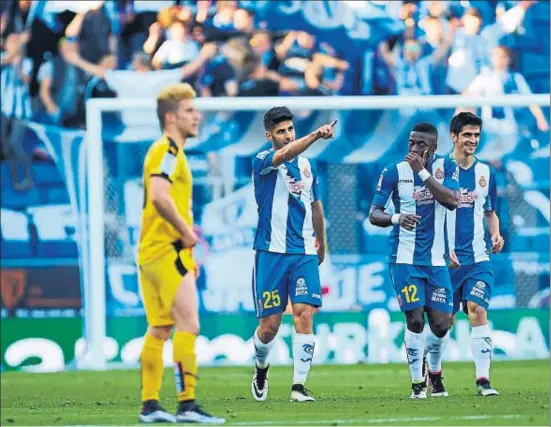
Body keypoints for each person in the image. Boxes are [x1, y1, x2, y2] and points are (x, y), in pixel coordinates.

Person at [136, 83, 224, 424]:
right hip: (168, 250)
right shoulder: (168, 150)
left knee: (159, 328)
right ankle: (187, 405)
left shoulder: (167, 151)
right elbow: (159, 196)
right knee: (189, 324)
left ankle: (150, 406)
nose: (197, 115)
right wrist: (187, 234)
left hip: (152, 252)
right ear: (171, 117)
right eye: (189, 110)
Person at [369, 122, 460, 399]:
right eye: (411, 143)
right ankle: (418, 384)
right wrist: (397, 218)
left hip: (435, 260)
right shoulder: (392, 171)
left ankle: (434, 371)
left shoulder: (448, 168)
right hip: (404, 259)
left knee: (442, 325)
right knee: (416, 321)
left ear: (434, 146)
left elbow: (452, 200)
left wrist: (422, 171)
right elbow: (374, 214)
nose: (414, 148)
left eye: (421, 144)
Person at [250, 106, 334, 403]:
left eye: (290, 130)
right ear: (269, 134)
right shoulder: (263, 161)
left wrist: (321, 241)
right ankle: (261, 366)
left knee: (304, 313)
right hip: (271, 253)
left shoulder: (309, 167)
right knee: (270, 327)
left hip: (303, 252)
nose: (287, 136)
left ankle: (298, 386)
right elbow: (284, 155)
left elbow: (315, 206)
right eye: (281, 131)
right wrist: (315, 134)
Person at [446, 112, 504, 396]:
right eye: (467, 135)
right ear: (453, 136)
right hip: (444, 260)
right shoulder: (438, 169)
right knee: (442, 323)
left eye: (476, 135)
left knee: (477, 309)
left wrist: (496, 233)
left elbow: (490, 213)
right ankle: (433, 375)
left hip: (478, 258)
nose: (473, 140)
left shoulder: (486, 173)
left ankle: (483, 380)